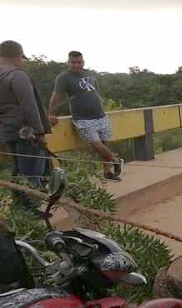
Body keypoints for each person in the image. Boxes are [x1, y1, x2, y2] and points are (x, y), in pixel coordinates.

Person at [49, 51, 123, 181]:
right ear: (68, 62)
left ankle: (107, 172)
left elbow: (95, 90)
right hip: (82, 117)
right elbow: (57, 96)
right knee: (96, 144)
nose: (77, 65)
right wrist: (52, 113)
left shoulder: (89, 73)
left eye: (79, 62)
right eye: (73, 62)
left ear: (83, 62)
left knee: (105, 144)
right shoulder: (63, 77)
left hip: (100, 115)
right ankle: (116, 160)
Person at [0, 40, 51, 212]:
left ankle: (19, 214)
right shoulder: (17, 75)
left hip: (7, 132)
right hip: (26, 134)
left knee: (17, 173)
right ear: (18, 56)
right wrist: (39, 133)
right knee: (31, 175)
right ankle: (33, 214)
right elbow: (30, 107)